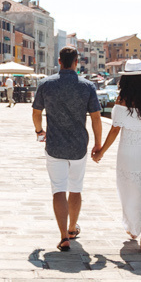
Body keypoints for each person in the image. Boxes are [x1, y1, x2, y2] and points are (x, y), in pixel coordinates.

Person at [94, 59, 141, 251]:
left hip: (128, 153)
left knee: (129, 191)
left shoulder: (121, 101)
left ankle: (133, 229)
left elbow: (114, 131)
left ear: (125, 79)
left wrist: (101, 152)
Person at [34, 46, 102, 250]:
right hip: (79, 145)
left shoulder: (46, 84)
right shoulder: (87, 86)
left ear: (59, 61)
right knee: (76, 188)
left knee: (58, 190)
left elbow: (36, 112)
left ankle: (64, 236)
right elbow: (96, 118)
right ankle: (72, 228)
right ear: (76, 61)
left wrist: (39, 132)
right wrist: (98, 144)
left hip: (55, 145)